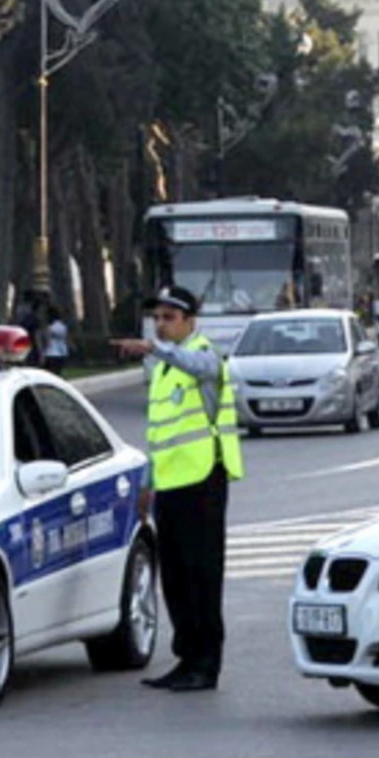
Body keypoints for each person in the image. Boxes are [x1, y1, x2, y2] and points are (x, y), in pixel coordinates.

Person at [111, 286, 245, 692]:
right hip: (171, 483)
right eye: (158, 317)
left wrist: (153, 346)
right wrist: (148, 484)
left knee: (202, 577)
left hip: (204, 480)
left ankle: (207, 664)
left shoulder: (205, 355)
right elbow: (160, 435)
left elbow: (199, 366)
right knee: (175, 578)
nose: (162, 323)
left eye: (170, 317)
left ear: (190, 321)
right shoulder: (163, 370)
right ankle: (186, 658)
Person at [44, 308, 69, 375]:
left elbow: (48, 341)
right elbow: (65, 339)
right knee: (59, 370)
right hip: (62, 351)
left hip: (52, 352)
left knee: (51, 372)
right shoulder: (63, 327)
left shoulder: (50, 327)